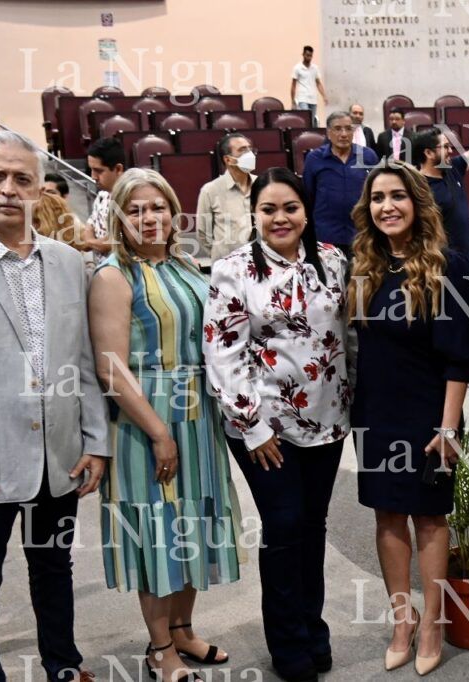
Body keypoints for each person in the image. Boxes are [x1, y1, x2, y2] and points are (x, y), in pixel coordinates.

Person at [89, 168, 242, 682]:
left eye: (156, 207)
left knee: (192, 523)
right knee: (158, 529)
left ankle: (182, 630)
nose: (148, 218)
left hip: (198, 417)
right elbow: (110, 365)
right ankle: (159, 650)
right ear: (119, 218)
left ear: (173, 212)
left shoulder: (184, 265)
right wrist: (157, 431)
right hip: (147, 419)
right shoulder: (114, 275)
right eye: (135, 210)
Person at [0, 131, 107, 682]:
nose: (8, 190)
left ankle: (63, 666)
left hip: (60, 453)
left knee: (54, 569)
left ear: (38, 191)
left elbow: (85, 358)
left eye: (21, 178)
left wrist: (95, 441)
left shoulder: (69, 262)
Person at [204, 167, 351, 682]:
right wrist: (253, 426)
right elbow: (222, 352)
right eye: (269, 209)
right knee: (285, 526)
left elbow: (344, 337)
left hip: (327, 421)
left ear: (306, 211)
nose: (280, 217)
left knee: (313, 527)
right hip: (265, 428)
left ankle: (313, 627)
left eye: (290, 207)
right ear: (255, 214)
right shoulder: (234, 269)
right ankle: (288, 642)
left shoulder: (332, 261)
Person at [348, 161, 469, 677]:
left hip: (431, 414)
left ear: (418, 203)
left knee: (429, 516)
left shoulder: (452, 266)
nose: (387, 206)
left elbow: (460, 356)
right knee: (386, 515)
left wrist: (448, 427)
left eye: (397, 196)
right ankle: (402, 621)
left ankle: (433, 623)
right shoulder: (364, 266)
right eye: (378, 198)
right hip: (376, 412)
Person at [414, 102, 469, 257]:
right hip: (440, 262)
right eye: (445, 147)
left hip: (465, 256)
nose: (450, 151)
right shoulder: (417, 186)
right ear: (428, 153)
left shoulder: (452, 168)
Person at [303, 110, 378, 259]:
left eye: (348, 128)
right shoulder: (314, 159)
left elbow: (377, 193)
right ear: (329, 133)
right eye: (338, 129)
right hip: (326, 236)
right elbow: (308, 196)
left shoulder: (368, 156)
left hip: (361, 234)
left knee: (361, 279)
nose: (344, 134)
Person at [196, 132, 257, 265]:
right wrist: (221, 257)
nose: (249, 154)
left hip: (261, 264)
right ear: (228, 160)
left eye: (249, 149)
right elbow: (203, 233)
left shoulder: (262, 185)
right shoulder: (210, 190)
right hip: (227, 269)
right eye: (242, 150)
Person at [86, 136, 126, 258]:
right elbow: (89, 225)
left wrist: (90, 242)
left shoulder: (133, 199)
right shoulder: (101, 195)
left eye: (98, 171)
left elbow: (113, 242)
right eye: (91, 170)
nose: (93, 176)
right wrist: (94, 242)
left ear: (118, 169)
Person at [290, 45, 327, 127]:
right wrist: (293, 100)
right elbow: (293, 85)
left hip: (313, 98)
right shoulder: (297, 68)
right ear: (303, 54)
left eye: (310, 56)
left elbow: (318, 83)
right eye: (307, 55)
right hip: (302, 97)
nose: (309, 57)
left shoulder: (315, 68)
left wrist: (324, 96)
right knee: (306, 118)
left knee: (312, 120)